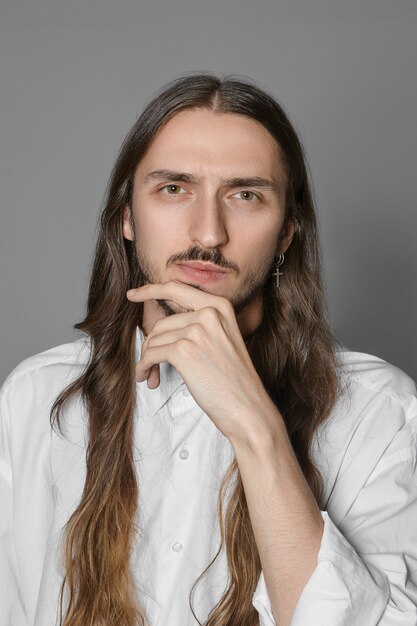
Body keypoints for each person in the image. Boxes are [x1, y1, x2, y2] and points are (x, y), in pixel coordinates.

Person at [1, 73, 416, 626]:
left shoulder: (379, 411)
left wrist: (256, 427)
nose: (209, 231)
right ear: (127, 217)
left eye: (246, 195)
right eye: (174, 188)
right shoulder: (35, 394)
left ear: (287, 232)